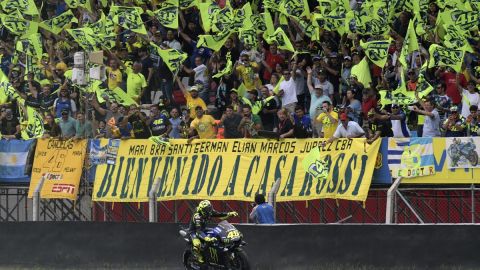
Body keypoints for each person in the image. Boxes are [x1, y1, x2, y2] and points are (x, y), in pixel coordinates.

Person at [189, 200, 238, 264]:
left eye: (210, 208)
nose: (209, 210)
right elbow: (199, 232)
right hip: (194, 231)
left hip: (203, 228)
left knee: (216, 233)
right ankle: (198, 255)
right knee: (197, 244)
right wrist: (206, 238)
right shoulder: (197, 217)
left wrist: (228, 214)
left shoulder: (208, 211)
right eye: (207, 209)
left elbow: (218, 214)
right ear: (202, 210)